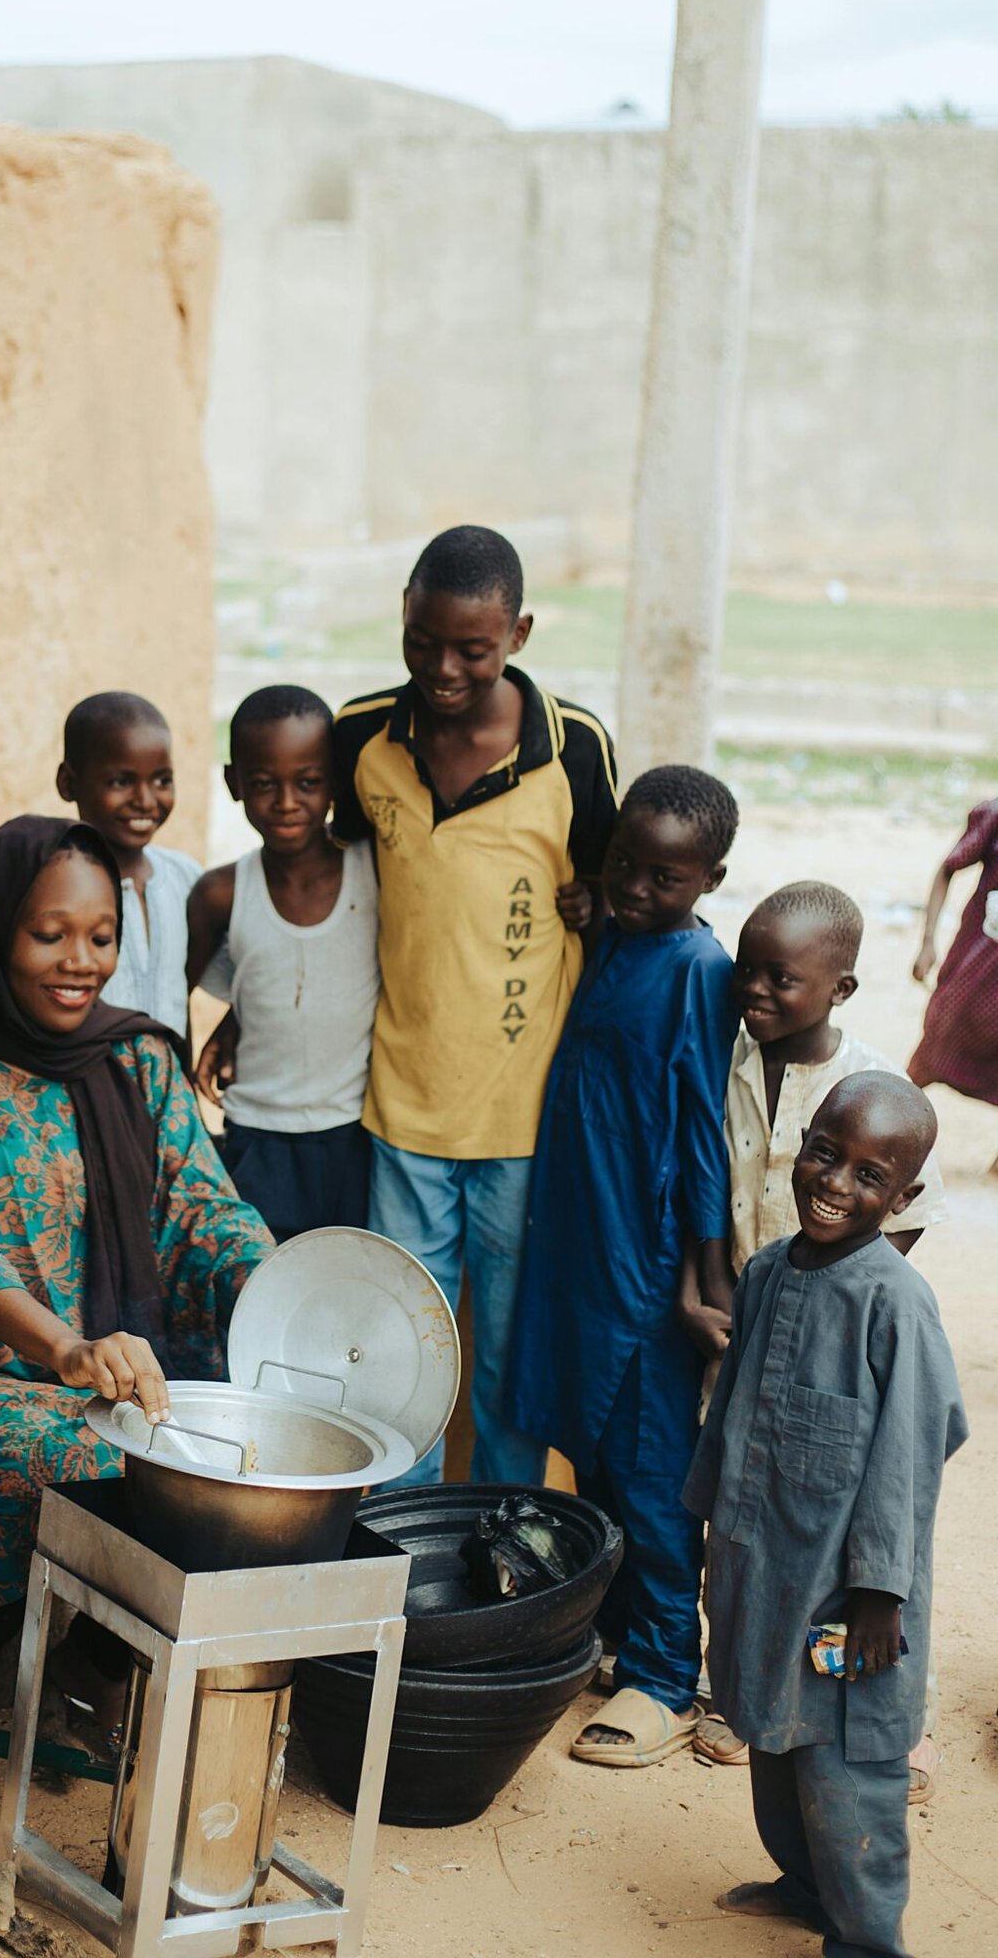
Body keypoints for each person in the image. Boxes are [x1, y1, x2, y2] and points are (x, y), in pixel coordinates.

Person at [0, 816, 272, 1800]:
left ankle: (95, 1661)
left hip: (115, 1366)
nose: (81, 962)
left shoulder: (139, 1061)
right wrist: (66, 1348)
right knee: (82, 1451)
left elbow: (202, 1205)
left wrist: (284, 1288)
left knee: (230, 1463)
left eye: (101, 935)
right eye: (49, 935)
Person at [331, 525, 616, 1486]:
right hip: (403, 1102)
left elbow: (616, 889)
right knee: (402, 1340)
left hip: (522, 1114)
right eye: (422, 641)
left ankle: (501, 1532)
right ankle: (396, 1530)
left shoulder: (573, 748)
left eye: (472, 649)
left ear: (520, 635)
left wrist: (595, 899)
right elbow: (327, 873)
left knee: (502, 1346)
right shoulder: (362, 736)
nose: (442, 669)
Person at [685, 1074, 967, 1958]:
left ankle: (863, 1936)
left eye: (870, 1175)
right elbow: (732, 1413)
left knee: (849, 1771)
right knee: (770, 1732)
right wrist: (712, 1532)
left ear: (904, 1197)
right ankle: (803, 1885)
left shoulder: (896, 1304)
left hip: (851, 1599)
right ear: (799, 1146)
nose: (837, 1183)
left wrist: (881, 1592)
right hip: (762, 1566)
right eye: (825, 1154)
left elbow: (912, 1454)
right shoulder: (767, 1272)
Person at [507, 764, 740, 1766]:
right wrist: (592, 908)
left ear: (709, 880)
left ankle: (661, 1672)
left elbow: (699, 1132)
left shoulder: (696, 967)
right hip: (575, 1239)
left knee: (648, 1468)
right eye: (624, 868)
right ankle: (609, 1638)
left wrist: (700, 1274)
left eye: (665, 877)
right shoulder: (615, 935)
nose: (640, 889)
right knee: (591, 1453)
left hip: (645, 1260)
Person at [690, 880, 950, 1779]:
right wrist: (716, 1285)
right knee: (752, 1516)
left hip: (833, 1335)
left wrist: (841, 1302)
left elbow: (906, 1213)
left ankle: (876, 1728)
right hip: (747, 1312)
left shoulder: (868, 1082)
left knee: (836, 1532)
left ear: (839, 989)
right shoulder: (718, 1058)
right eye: (746, 972)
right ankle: (746, 1694)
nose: (756, 993)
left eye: (784, 979)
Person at [186, 685, 379, 1240]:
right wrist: (187, 1123)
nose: (287, 801)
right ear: (233, 783)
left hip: (354, 1133)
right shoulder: (220, 893)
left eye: (309, 782)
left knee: (345, 1288)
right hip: (256, 1135)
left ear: (337, 783)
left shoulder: (374, 871)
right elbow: (174, 1004)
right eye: (265, 784)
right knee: (261, 1289)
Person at [56, 691, 200, 1039]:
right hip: (84, 1087)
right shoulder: (53, 885)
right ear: (69, 783)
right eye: (121, 782)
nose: (146, 800)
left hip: (167, 1088)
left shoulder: (186, 879)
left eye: (162, 781)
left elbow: (183, 996)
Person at [908, 795, 998, 1154]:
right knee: (934, 1046)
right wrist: (928, 942)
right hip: (974, 969)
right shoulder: (993, 817)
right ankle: (890, 1130)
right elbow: (947, 869)